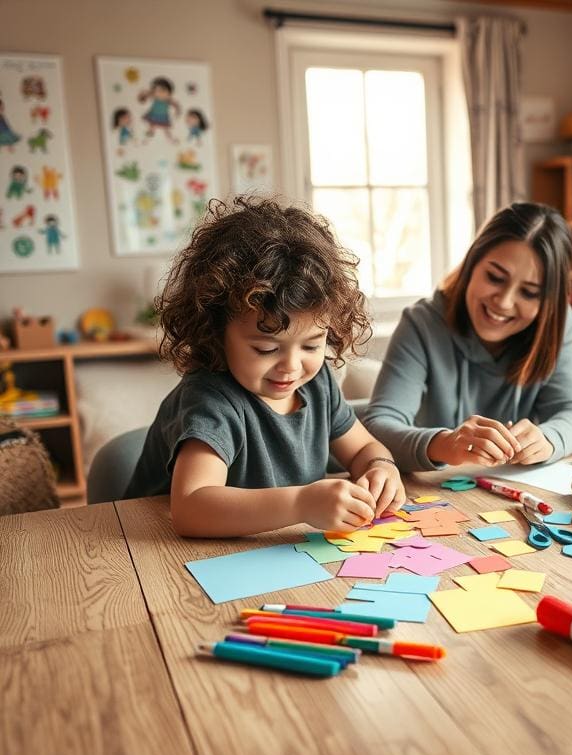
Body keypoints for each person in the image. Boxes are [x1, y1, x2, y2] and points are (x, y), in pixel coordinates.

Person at [125, 197, 405, 537]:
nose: (291, 366)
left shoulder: (318, 383)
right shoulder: (209, 400)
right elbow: (190, 508)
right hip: (156, 556)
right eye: (266, 348)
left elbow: (362, 448)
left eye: (312, 345)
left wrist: (381, 467)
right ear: (214, 333)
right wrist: (302, 503)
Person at [363, 202, 572, 472]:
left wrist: (548, 439)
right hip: (435, 488)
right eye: (495, 277)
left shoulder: (559, 324)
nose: (504, 302)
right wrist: (445, 444)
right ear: (472, 264)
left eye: (529, 293)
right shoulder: (422, 323)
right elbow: (378, 425)